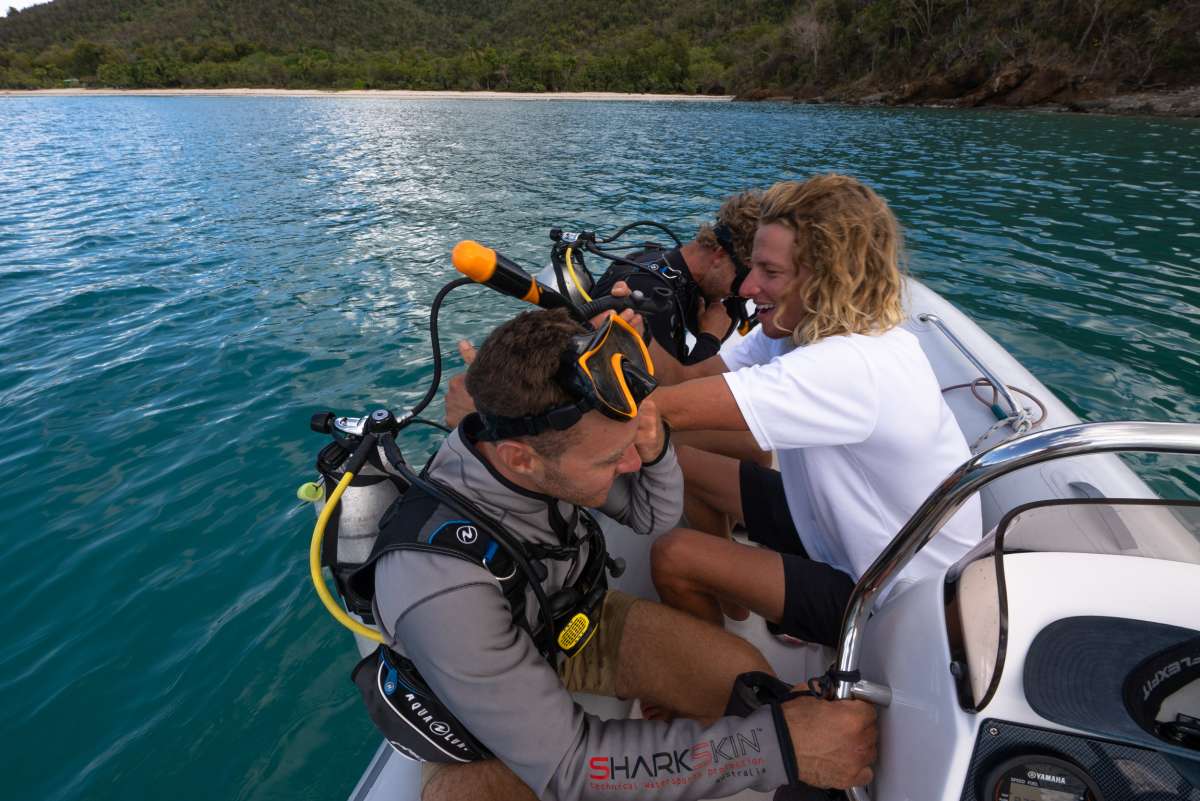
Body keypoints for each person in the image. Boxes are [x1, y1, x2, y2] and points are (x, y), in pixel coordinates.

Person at [362, 306, 878, 801]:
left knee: (743, 678)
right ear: (520, 460)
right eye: (613, 457)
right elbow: (567, 766)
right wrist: (775, 748)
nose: (630, 464)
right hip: (476, 713)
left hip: (572, 622)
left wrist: (652, 449)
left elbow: (650, 516)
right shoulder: (438, 583)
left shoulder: (539, 450)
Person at [647, 174, 983, 648]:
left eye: (770, 272)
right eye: (752, 267)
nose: (746, 286)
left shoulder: (850, 365)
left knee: (673, 556)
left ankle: (730, 686)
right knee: (680, 465)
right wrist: (633, 334)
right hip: (835, 532)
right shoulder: (796, 329)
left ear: (827, 278)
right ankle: (736, 594)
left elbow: (663, 410)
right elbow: (690, 383)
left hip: (893, 595)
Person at [590, 190, 761, 387]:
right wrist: (710, 340)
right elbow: (669, 396)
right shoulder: (649, 296)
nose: (748, 290)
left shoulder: (669, 267)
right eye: (745, 278)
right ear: (720, 255)